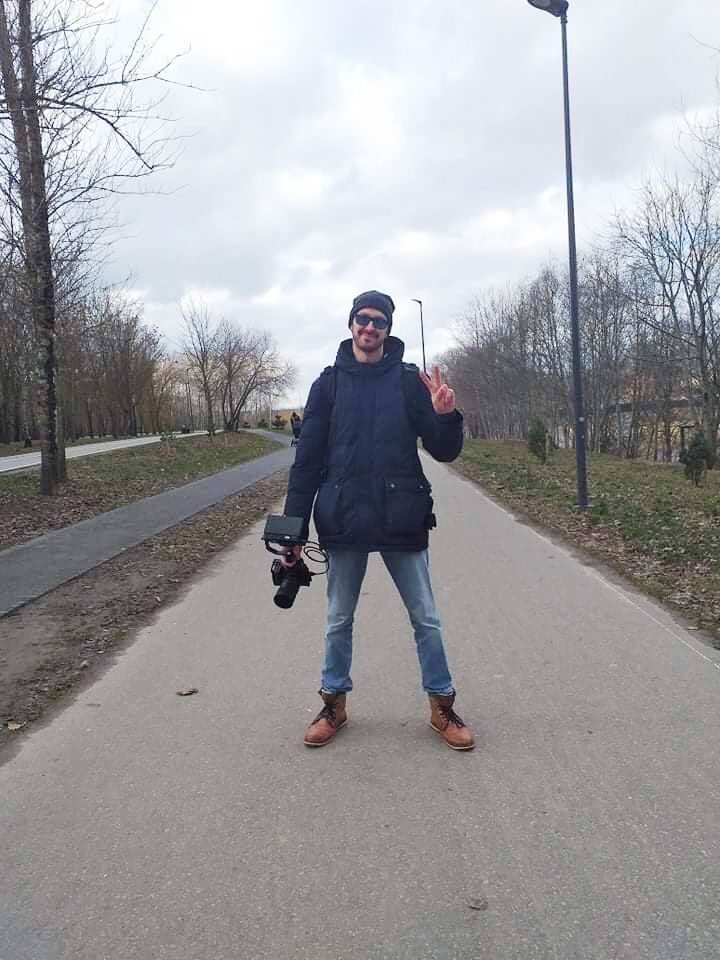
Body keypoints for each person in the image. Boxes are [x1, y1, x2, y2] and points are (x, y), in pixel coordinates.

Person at [282, 290, 474, 751]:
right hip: (344, 518)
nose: (370, 327)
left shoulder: (408, 382)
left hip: (401, 517)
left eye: (379, 321)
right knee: (338, 619)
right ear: (351, 323)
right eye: (363, 319)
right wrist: (292, 530)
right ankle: (333, 704)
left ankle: (442, 706)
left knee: (426, 618)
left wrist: (446, 417)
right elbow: (307, 462)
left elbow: (444, 451)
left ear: (388, 329)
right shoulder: (327, 385)